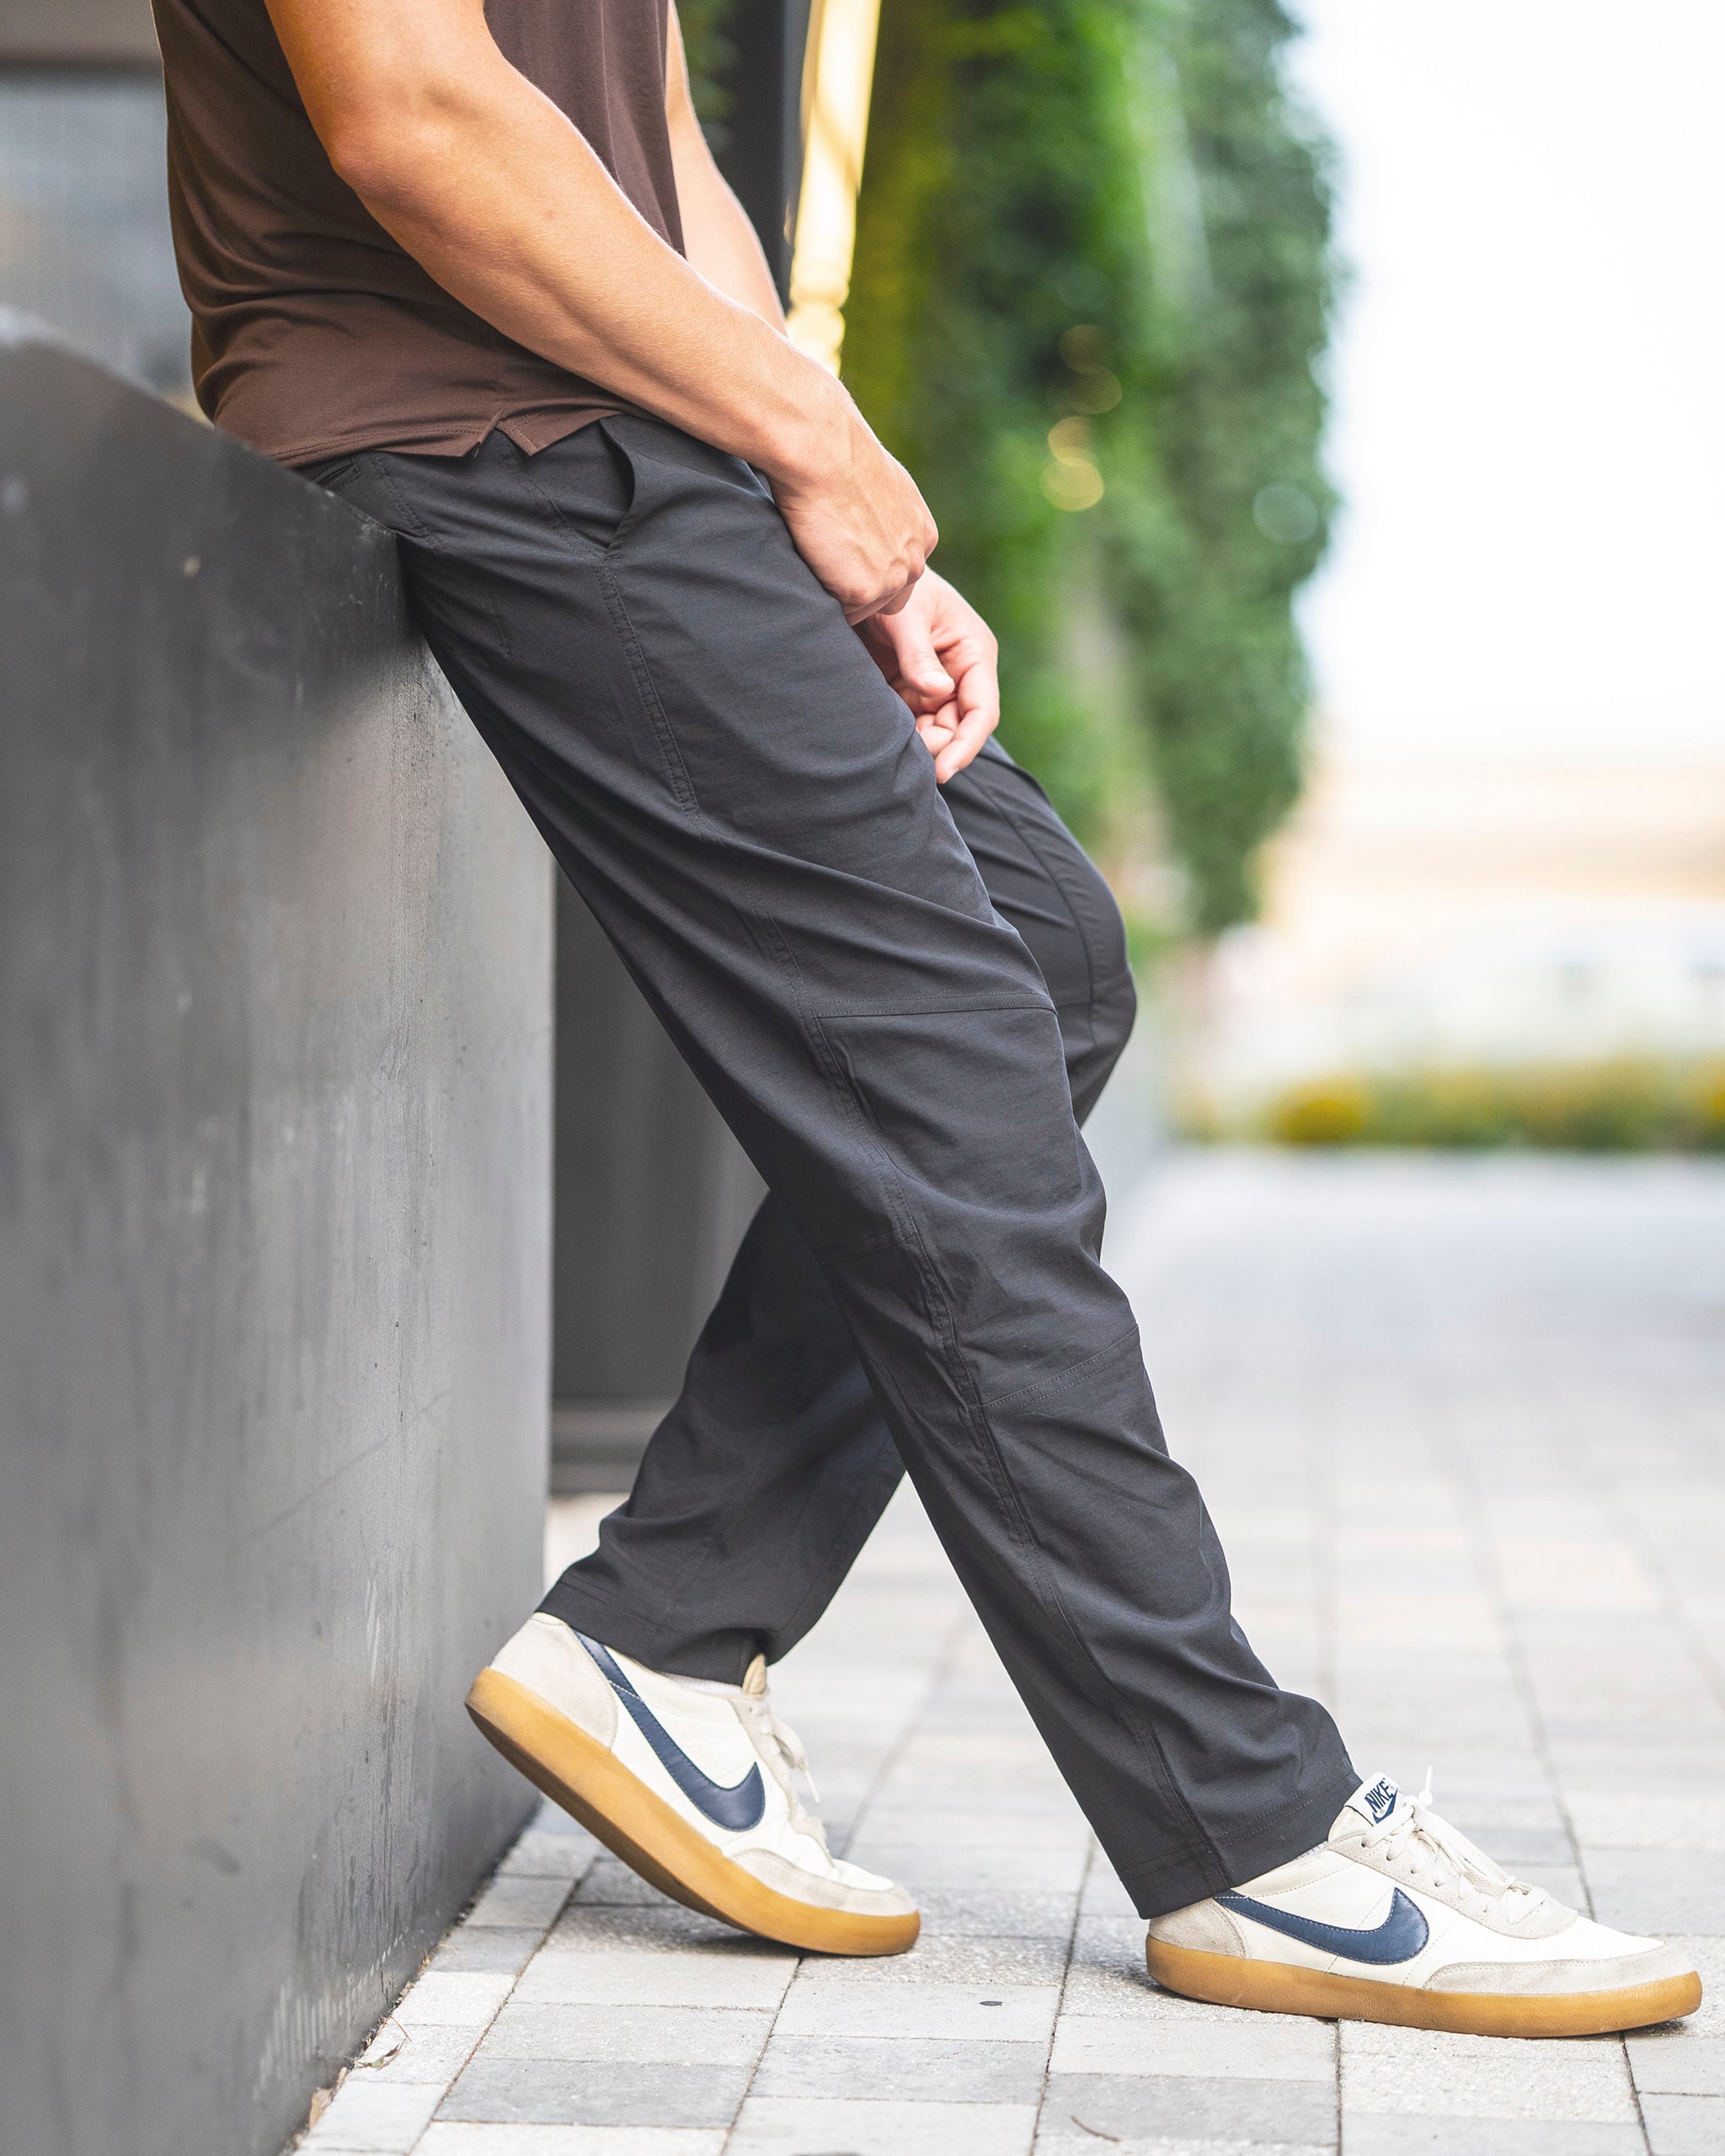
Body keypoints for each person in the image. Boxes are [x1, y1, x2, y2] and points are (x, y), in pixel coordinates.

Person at [150, 0, 1700, 2037]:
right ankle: (1244, 1828)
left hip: (646, 438)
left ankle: (672, 1628)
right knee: (953, 1074)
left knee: (1043, 950)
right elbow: (419, 114)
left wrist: (819, 485)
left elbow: (665, 153)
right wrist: (812, 447)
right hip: (484, 426)